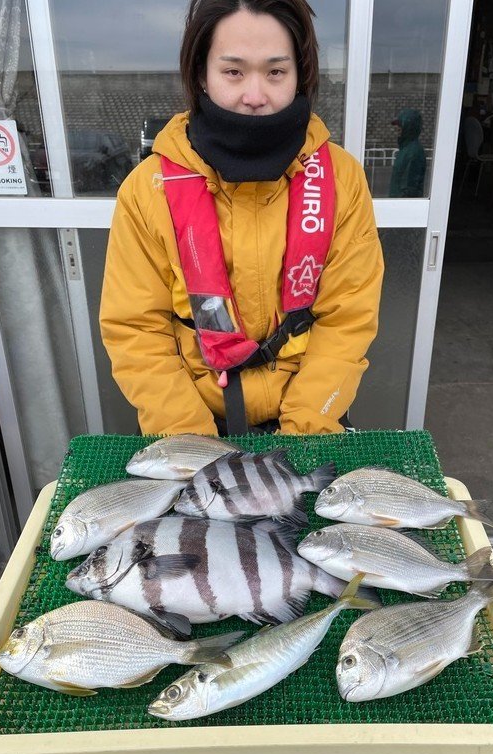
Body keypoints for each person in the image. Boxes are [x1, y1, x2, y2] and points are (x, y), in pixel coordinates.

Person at [101, 0, 384, 436]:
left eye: (276, 72)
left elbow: (348, 318)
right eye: (233, 71)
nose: (255, 96)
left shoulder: (342, 179)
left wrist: (305, 433)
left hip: (313, 416)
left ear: (300, 74)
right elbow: (137, 329)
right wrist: (191, 441)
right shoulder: (146, 189)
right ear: (202, 74)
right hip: (193, 420)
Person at [388, 108, 425, 198]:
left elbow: (409, 188)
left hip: (402, 206)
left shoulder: (414, 152)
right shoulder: (405, 149)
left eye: (400, 125)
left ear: (409, 127)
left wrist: (398, 206)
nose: (397, 128)